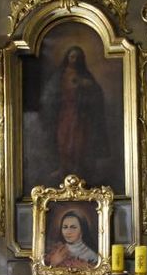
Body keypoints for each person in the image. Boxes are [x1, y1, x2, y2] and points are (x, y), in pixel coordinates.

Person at [40, 46, 109, 183]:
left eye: (77, 57)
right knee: (63, 141)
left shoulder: (85, 76)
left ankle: (78, 170)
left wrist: (88, 86)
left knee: (78, 143)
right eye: (72, 57)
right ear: (67, 58)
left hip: (80, 115)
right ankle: (63, 168)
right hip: (64, 113)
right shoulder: (59, 75)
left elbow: (97, 94)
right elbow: (48, 96)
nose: (74, 60)